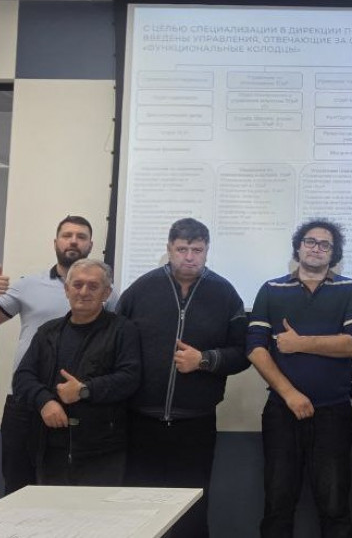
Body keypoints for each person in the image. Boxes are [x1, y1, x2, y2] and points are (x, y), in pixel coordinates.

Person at [117, 218, 248, 538]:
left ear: (207, 251)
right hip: (141, 420)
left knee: (192, 509)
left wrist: (204, 360)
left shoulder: (225, 293)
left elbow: (243, 353)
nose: (189, 257)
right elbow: (116, 342)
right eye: (182, 249)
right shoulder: (141, 289)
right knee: (138, 510)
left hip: (195, 423)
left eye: (197, 250)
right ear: (169, 249)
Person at [0, 215, 113, 494]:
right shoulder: (27, 285)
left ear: (91, 245)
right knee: (18, 488)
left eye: (81, 237)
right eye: (67, 235)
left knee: (67, 492)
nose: (73, 241)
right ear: (55, 242)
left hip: (77, 404)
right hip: (26, 402)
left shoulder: (107, 292)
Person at [247, 219, 352, 538]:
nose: (317, 248)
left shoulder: (350, 289)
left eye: (325, 244)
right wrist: (290, 394)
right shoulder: (271, 289)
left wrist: (300, 343)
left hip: (334, 413)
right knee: (277, 505)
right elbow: (255, 349)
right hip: (282, 411)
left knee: (335, 507)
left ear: (334, 253)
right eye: (310, 242)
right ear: (298, 247)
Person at [12, 259, 140, 485]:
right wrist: (44, 401)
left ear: (106, 293)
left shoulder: (122, 330)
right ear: (67, 289)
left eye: (93, 286)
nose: (83, 292)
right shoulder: (47, 332)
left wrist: (84, 390)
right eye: (78, 285)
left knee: (97, 508)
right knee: (52, 507)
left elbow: (129, 378)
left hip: (103, 449)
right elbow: (23, 377)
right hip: (50, 446)